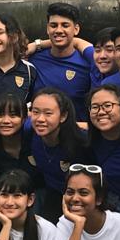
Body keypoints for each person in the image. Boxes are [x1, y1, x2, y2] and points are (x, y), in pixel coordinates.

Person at [29, 88, 92, 222]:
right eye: (35, 112)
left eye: (48, 113)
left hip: (82, 198)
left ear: (63, 116)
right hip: (52, 193)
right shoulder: (30, 134)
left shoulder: (82, 142)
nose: (40, 119)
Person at [30, 3, 98, 122]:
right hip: (41, 135)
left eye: (65, 25)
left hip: (76, 135)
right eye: (53, 25)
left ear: (76, 29)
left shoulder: (88, 62)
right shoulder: (33, 59)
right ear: (47, 28)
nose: (59, 30)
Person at [0, 91, 37, 197]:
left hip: (40, 193)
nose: (6, 121)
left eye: (13, 115)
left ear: (24, 118)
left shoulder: (36, 138)